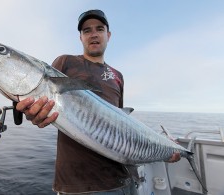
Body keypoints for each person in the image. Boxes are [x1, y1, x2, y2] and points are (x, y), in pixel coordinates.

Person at [16, 9, 180, 195]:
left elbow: (121, 119)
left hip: (123, 181)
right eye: (86, 30)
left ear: (108, 35)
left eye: (99, 29)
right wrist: (34, 113)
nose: (93, 34)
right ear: (80, 38)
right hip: (79, 185)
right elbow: (43, 97)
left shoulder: (117, 76)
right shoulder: (65, 62)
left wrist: (165, 149)